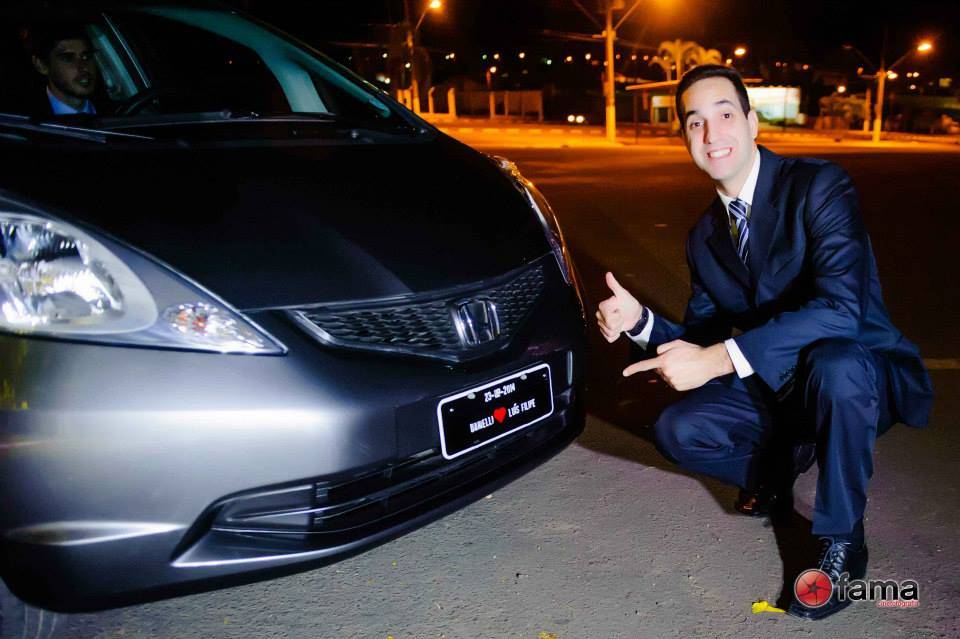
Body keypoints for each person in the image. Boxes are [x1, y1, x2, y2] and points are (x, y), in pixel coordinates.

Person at [596, 64, 932, 620]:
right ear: (685, 138)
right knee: (678, 428)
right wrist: (641, 324)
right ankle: (783, 463)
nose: (711, 133)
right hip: (779, 382)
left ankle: (843, 541)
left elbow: (841, 309)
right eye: (695, 122)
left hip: (861, 371)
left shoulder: (818, 186)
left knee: (836, 365)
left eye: (725, 114)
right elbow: (701, 340)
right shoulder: (704, 237)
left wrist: (721, 357)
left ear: (752, 123)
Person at [29, 21, 100, 116]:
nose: (84, 67)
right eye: (68, 59)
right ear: (41, 65)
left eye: (86, 57)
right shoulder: (23, 118)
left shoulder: (114, 111)